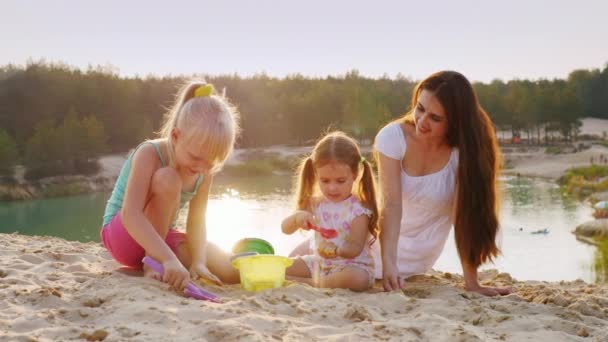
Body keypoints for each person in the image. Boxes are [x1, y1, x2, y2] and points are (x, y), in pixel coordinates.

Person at [374, 70, 511, 296]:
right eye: (420, 108)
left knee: (329, 269)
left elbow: (463, 218)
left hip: (417, 258)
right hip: (380, 244)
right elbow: (391, 205)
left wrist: (472, 283)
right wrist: (389, 263)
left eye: (435, 118)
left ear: (456, 122)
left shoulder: (463, 154)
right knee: (315, 261)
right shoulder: (393, 137)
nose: (422, 122)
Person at [100, 81, 240, 291]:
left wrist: (199, 261)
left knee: (225, 266)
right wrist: (166, 258)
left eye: (210, 163)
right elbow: (131, 214)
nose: (202, 167)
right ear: (175, 136)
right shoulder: (149, 153)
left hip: (160, 237)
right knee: (169, 178)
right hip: (124, 235)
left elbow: (197, 220)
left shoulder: (203, 171)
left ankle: (300, 272)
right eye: (195, 158)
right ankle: (152, 263)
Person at [281, 131, 379, 291]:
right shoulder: (316, 203)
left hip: (350, 265)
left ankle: (308, 283)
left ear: (354, 174)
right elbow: (285, 229)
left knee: (357, 278)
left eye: (340, 181)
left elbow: (355, 247)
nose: (332, 188)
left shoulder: (359, 210)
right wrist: (298, 218)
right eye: (325, 181)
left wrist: (335, 251)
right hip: (320, 263)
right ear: (316, 175)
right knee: (283, 264)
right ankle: (307, 278)